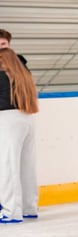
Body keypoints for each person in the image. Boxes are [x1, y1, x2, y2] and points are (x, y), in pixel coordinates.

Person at [0, 48, 39, 223]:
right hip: (26, 118)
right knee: (26, 165)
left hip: (7, 119)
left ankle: (10, 211)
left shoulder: (1, 76)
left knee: (7, 166)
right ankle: (29, 207)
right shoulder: (23, 76)